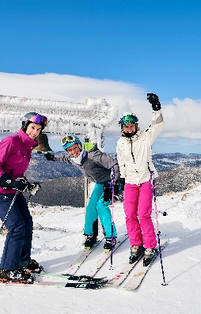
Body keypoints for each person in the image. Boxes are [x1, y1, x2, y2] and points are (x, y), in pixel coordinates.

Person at [0, 112, 47, 282]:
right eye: (33, 127)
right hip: (0, 193)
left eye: (38, 129)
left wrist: (26, 184)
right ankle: (8, 268)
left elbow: (17, 172)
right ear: (25, 125)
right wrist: (9, 182)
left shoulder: (27, 147)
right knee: (17, 227)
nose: (35, 132)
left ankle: (22, 259)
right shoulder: (11, 141)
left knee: (27, 223)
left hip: (14, 192)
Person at [45, 135, 120, 251]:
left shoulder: (92, 155)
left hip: (111, 182)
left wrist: (113, 185)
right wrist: (53, 157)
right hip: (100, 183)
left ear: (79, 146)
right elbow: (64, 159)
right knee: (90, 207)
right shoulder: (74, 159)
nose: (73, 152)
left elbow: (114, 165)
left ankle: (111, 236)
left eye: (75, 148)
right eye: (69, 150)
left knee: (101, 206)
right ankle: (90, 234)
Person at [116, 93, 165, 266]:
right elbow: (121, 161)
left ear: (136, 126)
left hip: (146, 180)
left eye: (132, 125)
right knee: (130, 215)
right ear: (121, 127)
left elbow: (158, 125)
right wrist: (122, 178)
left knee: (143, 214)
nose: (129, 128)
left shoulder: (145, 137)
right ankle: (136, 245)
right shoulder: (120, 143)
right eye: (126, 126)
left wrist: (156, 107)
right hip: (130, 182)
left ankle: (150, 246)